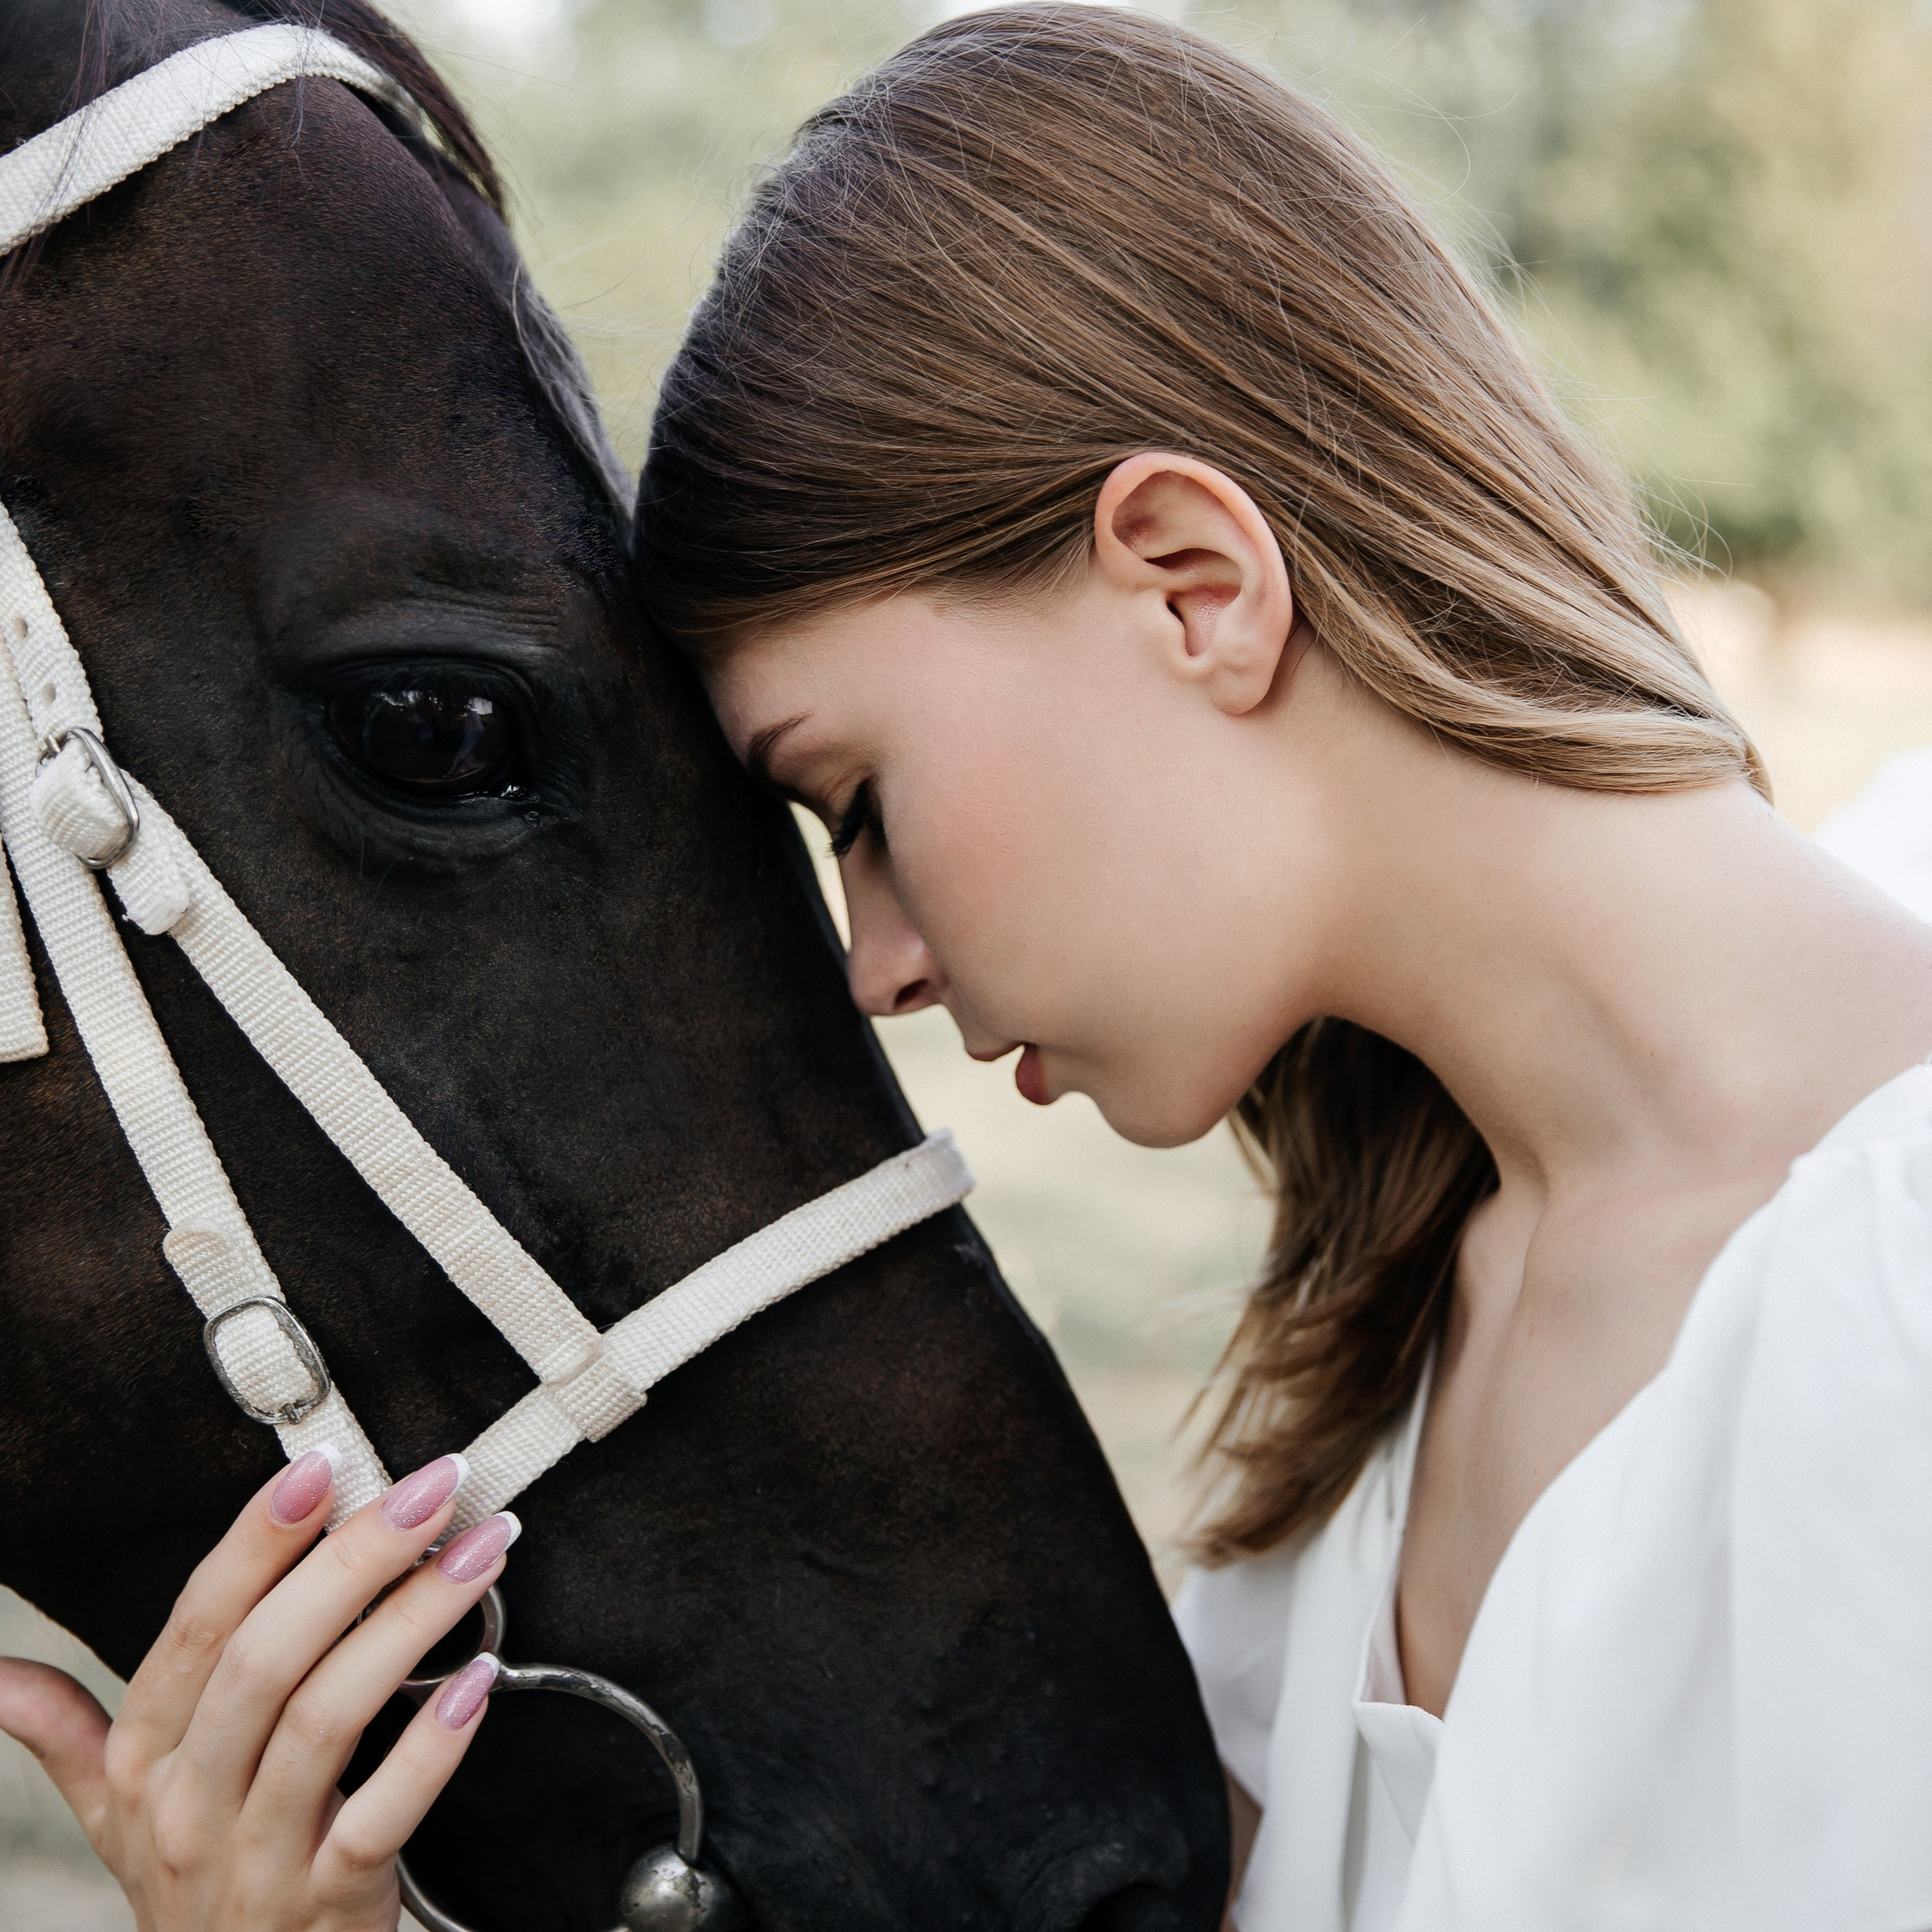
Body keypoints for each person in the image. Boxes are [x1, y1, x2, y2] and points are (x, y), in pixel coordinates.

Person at [8, 6, 1932, 1928]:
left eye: (851, 800)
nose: (874, 967)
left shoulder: (1887, 1315)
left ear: (1191, 580)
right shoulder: (1412, 1327)